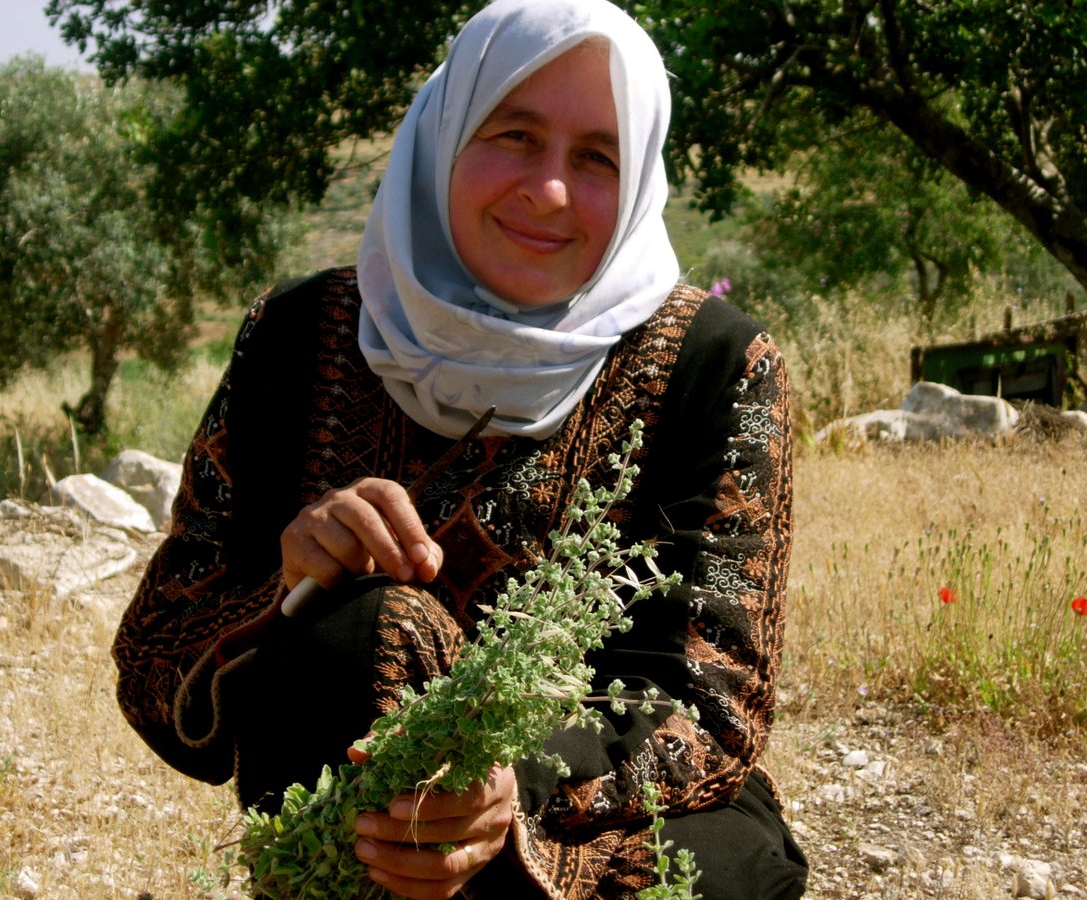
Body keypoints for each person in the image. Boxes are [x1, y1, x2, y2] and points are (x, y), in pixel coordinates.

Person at [111, 0, 808, 897]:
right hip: (354, 843)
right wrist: (288, 589)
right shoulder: (294, 335)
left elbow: (716, 705)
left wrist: (511, 789)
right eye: (514, 134)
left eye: (598, 157)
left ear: (638, 182)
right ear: (443, 134)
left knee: (722, 874)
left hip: (588, 830)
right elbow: (153, 663)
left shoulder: (716, 366)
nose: (549, 189)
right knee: (365, 628)